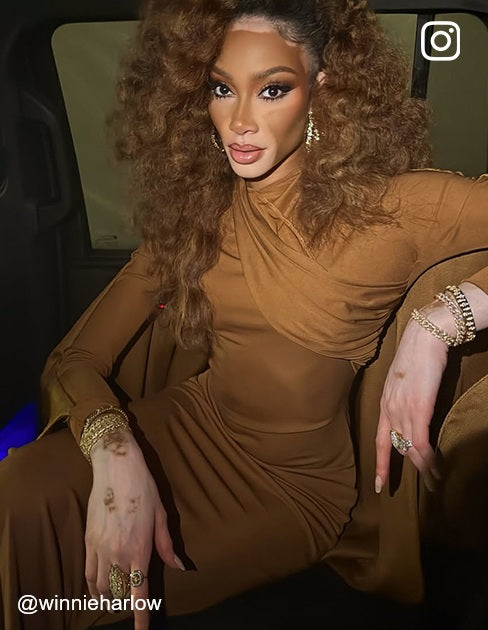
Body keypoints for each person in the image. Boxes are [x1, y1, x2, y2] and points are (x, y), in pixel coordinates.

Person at [1, 0, 488, 628]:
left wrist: (442, 321)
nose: (239, 121)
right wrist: (113, 446)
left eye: (273, 90)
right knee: (18, 494)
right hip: (185, 425)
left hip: (292, 487)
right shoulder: (200, 212)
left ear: (322, 90)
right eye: (221, 89)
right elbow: (76, 358)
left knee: (103, 588)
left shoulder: (395, 209)